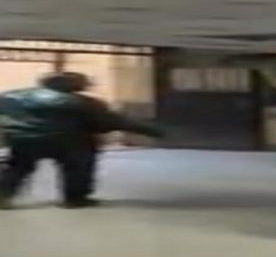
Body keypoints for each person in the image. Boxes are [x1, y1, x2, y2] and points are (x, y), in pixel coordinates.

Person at [0, 72, 163, 209]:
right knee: (78, 168)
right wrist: (153, 131)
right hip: (70, 141)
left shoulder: (10, 97)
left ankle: (3, 196)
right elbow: (109, 122)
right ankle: (75, 199)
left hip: (23, 139)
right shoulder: (84, 102)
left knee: (17, 168)